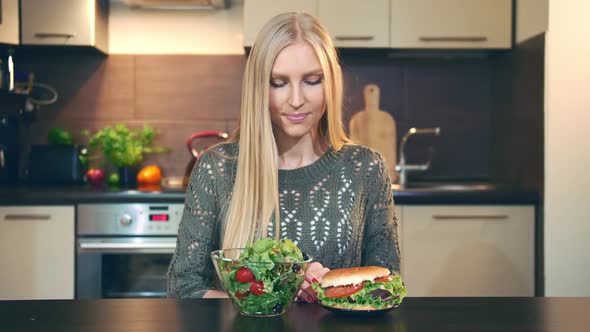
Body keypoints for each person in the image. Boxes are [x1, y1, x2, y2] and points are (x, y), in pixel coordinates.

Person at [167, 12, 401, 301]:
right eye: (278, 83)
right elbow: (185, 286)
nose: (296, 99)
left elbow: (386, 284)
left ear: (331, 83)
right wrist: (278, 296)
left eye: (312, 81)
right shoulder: (216, 168)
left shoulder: (366, 168)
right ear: (258, 89)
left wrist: (330, 290)